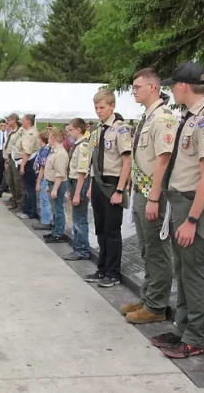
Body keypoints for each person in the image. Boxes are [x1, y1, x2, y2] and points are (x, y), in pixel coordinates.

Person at [152, 62, 204, 359]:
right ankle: (183, 329)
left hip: (193, 205)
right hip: (180, 202)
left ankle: (196, 337)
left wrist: (193, 220)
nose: (171, 89)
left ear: (184, 86)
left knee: (194, 272)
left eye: (173, 85)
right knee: (182, 271)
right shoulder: (191, 118)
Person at [120, 68, 176, 325]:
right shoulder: (148, 117)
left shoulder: (162, 118)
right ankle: (148, 297)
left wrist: (154, 198)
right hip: (143, 191)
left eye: (137, 87)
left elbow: (163, 160)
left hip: (154, 192)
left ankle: (156, 306)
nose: (134, 91)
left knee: (156, 250)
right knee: (146, 249)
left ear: (153, 87)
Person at [85, 89, 132, 288]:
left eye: (102, 107)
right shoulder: (97, 130)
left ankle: (113, 272)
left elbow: (127, 161)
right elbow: (94, 159)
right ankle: (102, 268)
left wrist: (120, 190)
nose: (98, 111)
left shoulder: (120, 129)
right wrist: (90, 185)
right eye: (96, 108)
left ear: (112, 106)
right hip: (97, 182)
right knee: (100, 229)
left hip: (113, 182)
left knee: (112, 230)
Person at [62, 118, 92, 261]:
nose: (69, 132)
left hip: (80, 182)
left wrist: (78, 193)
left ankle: (82, 250)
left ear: (78, 130)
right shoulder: (77, 145)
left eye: (71, 130)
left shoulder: (83, 146)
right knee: (76, 218)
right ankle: (78, 247)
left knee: (80, 219)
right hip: (74, 182)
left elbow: (82, 171)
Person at [43, 127, 70, 243]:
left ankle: (59, 233)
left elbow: (60, 173)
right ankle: (55, 230)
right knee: (54, 209)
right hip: (52, 182)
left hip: (58, 183)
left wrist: (55, 189)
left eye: (49, 137)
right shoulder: (54, 151)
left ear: (53, 138)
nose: (48, 139)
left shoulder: (60, 153)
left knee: (58, 209)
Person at [15, 114, 40, 220]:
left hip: (28, 162)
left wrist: (22, 166)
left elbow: (27, 151)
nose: (22, 122)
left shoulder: (30, 133)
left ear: (28, 121)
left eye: (23, 120)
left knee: (29, 188)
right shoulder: (26, 132)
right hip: (25, 161)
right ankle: (27, 209)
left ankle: (30, 212)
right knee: (26, 188)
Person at [4, 113, 24, 210]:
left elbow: (19, 146)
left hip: (16, 158)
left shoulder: (20, 131)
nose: (7, 121)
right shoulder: (11, 131)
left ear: (15, 120)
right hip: (10, 158)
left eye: (9, 119)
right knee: (10, 181)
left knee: (17, 181)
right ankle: (15, 201)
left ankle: (20, 203)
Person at [33, 131, 52, 231]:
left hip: (44, 177)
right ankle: (45, 220)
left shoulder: (45, 151)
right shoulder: (44, 149)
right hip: (44, 177)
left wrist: (38, 182)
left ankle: (46, 221)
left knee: (44, 200)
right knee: (43, 199)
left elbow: (42, 168)